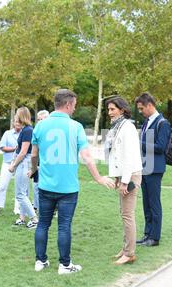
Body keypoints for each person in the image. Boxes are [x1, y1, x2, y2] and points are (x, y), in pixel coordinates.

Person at [30, 89, 114, 274]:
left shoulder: (40, 126)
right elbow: (86, 156)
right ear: (68, 104)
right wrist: (99, 178)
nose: (75, 109)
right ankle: (65, 265)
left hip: (45, 185)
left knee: (43, 223)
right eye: (74, 105)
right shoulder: (75, 127)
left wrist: (33, 169)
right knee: (64, 226)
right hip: (67, 187)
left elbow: (34, 155)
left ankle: (40, 261)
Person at [105, 96, 142, 265]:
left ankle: (129, 253)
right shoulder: (118, 127)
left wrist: (125, 181)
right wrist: (118, 177)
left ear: (121, 109)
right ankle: (126, 248)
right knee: (124, 213)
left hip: (131, 175)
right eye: (108, 109)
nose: (109, 112)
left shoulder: (128, 127)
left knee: (128, 215)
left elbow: (129, 156)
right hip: (123, 175)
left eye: (112, 109)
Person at [135, 92, 171, 247]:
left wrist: (140, 144)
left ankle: (154, 237)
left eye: (142, 108)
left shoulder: (162, 123)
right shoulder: (147, 121)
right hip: (145, 167)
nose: (141, 111)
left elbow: (161, 147)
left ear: (150, 105)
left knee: (154, 204)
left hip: (155, 169)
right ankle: (147, 234)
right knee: (146, 204)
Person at [8, 107, 38, 228]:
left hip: (24, 163)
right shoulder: (26, 129)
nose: (15, 116)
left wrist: (13, 165)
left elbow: (24, 152)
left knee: (20, 194)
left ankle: (34, 219)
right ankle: (22, 218)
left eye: (17, 114)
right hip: (25, 162)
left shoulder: (27, 131)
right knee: (24, 192)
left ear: (21, 116)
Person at [0, 118, 21, 216]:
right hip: (7, 163)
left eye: (20, 122)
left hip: (20, 164)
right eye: (16, 122)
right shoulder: (7, 133)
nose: (18, 124)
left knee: (19, 187)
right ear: (13, 123)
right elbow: (2, 147)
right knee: (2, 185)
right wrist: (14, 149)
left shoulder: (24, 133)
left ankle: (17, 208)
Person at [32, 110, 50, 214]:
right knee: (36, 186)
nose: (39, 122)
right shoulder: (36, 132)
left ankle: (51, 209)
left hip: (48, 166)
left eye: (42, 119)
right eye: (38, 120)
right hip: (37, 164)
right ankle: (38, 208)